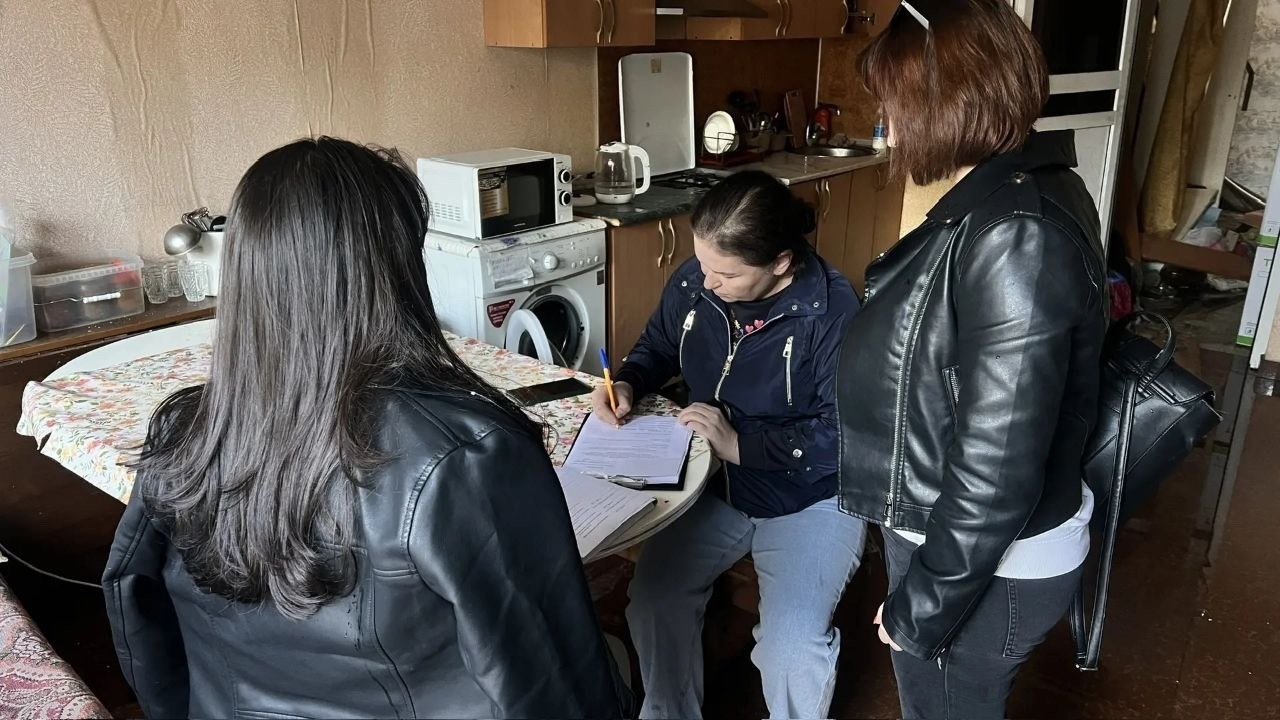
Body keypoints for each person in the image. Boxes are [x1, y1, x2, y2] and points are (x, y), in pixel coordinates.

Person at [102, 137, 631, 719]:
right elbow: (552, 682)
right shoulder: (465, 454)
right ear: (398, 266)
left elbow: (137, 612)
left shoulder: (183, 430)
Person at [834, 2, 1109, 718]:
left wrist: (921, 606)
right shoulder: (1016, 193)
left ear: (944, 101)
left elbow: (998, 467)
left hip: (979, 562)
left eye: (893, 105)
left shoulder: (1015, 233)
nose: (887, 127)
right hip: (957, 542)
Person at [592, 170, 866, 719]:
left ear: (781, 262)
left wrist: (741, 445)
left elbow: (847, 436)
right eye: (702, 264)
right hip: (713, 484)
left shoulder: (834, 314)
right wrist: (628, 382)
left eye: (727, 274)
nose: (707, 281)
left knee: (791, 648)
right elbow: (659, 344)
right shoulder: (698, 279)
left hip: (810, 496)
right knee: (654, 601)